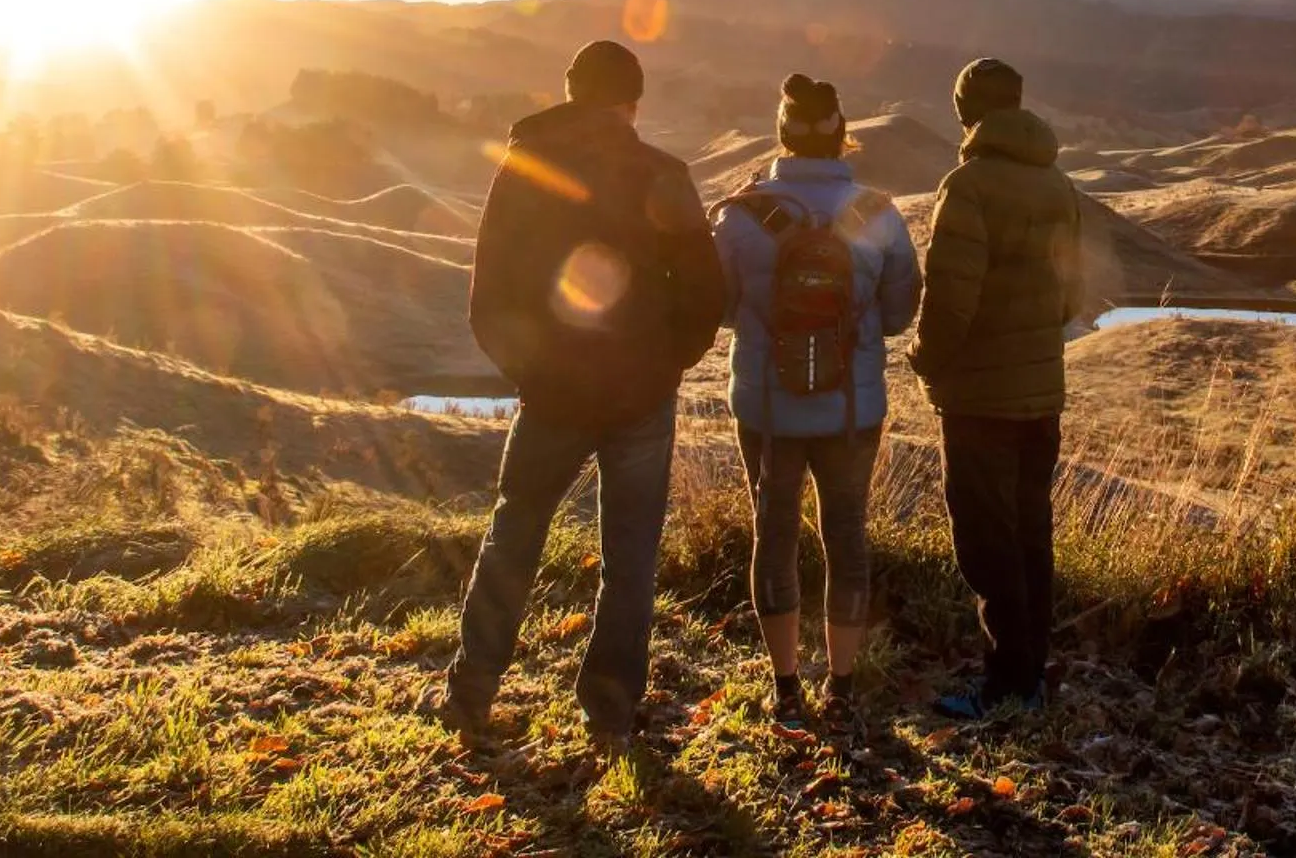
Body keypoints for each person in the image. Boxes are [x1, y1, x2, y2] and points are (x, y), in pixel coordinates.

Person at [428, 39, 726, 743]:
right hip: (641, 394)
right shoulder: (662, 173)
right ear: (633, 103)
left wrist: (532, 373)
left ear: (568, 91)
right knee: (631, 555)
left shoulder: (524, 169)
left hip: (552, 394)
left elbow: (489, 292)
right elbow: (708, 290)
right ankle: (611, 710)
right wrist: (666, 363)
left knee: (514, 535)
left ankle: (471, 694)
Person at [712, 74, 920, 728]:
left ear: (780, 134)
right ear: (840, 133)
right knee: (847, 535)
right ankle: (842, 687)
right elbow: (896, 315)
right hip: (852, 410)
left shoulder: (738, 215)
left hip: (766, 408)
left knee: (772, 539)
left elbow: (717, 310)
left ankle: (784, 689)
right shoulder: (878, 213)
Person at [908, 57, 1081, 719]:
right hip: (1042, 392)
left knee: (985, 539)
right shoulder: (1057, 184)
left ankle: (1009, 686)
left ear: (964, 110)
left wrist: (926, 361)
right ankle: (1031, 671)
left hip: (980, 397)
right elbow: (1071, 295)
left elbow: (951, 302)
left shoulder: (969, 185)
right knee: (1031, 530)